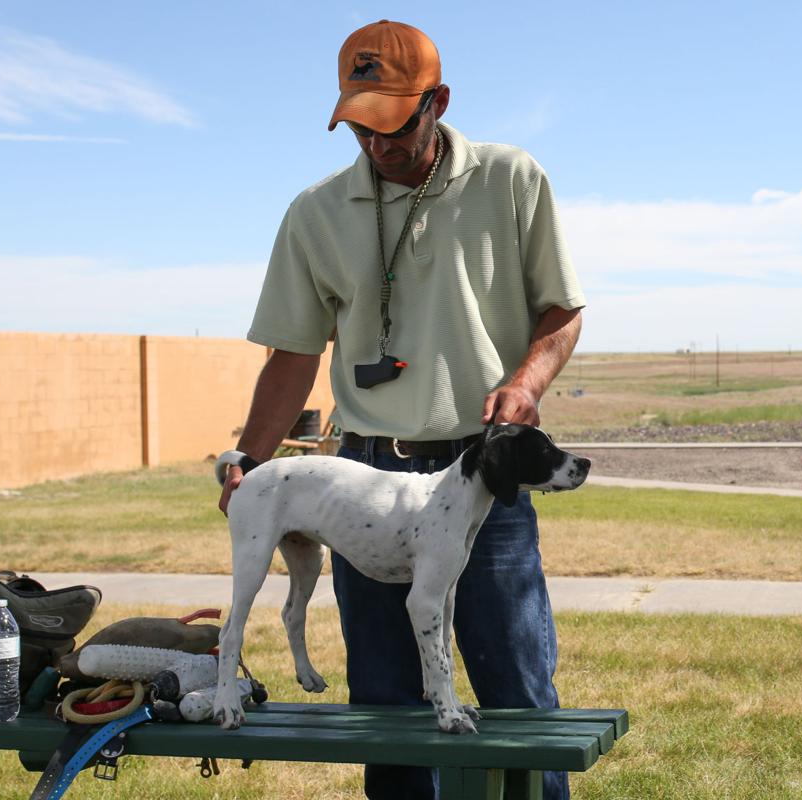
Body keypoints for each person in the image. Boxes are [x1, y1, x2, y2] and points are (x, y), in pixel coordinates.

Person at [219, 19, 584, 800]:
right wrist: (247, 462)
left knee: (518, 698)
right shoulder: (314, 214)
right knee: (387, 710)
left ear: (438, 102)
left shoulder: (512, 180)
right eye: (360, 126)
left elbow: (562, 312)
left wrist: (525, 385)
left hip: (484, 472)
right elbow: (291, 355)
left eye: (394, 124)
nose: (378, 146)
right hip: (365, 482)